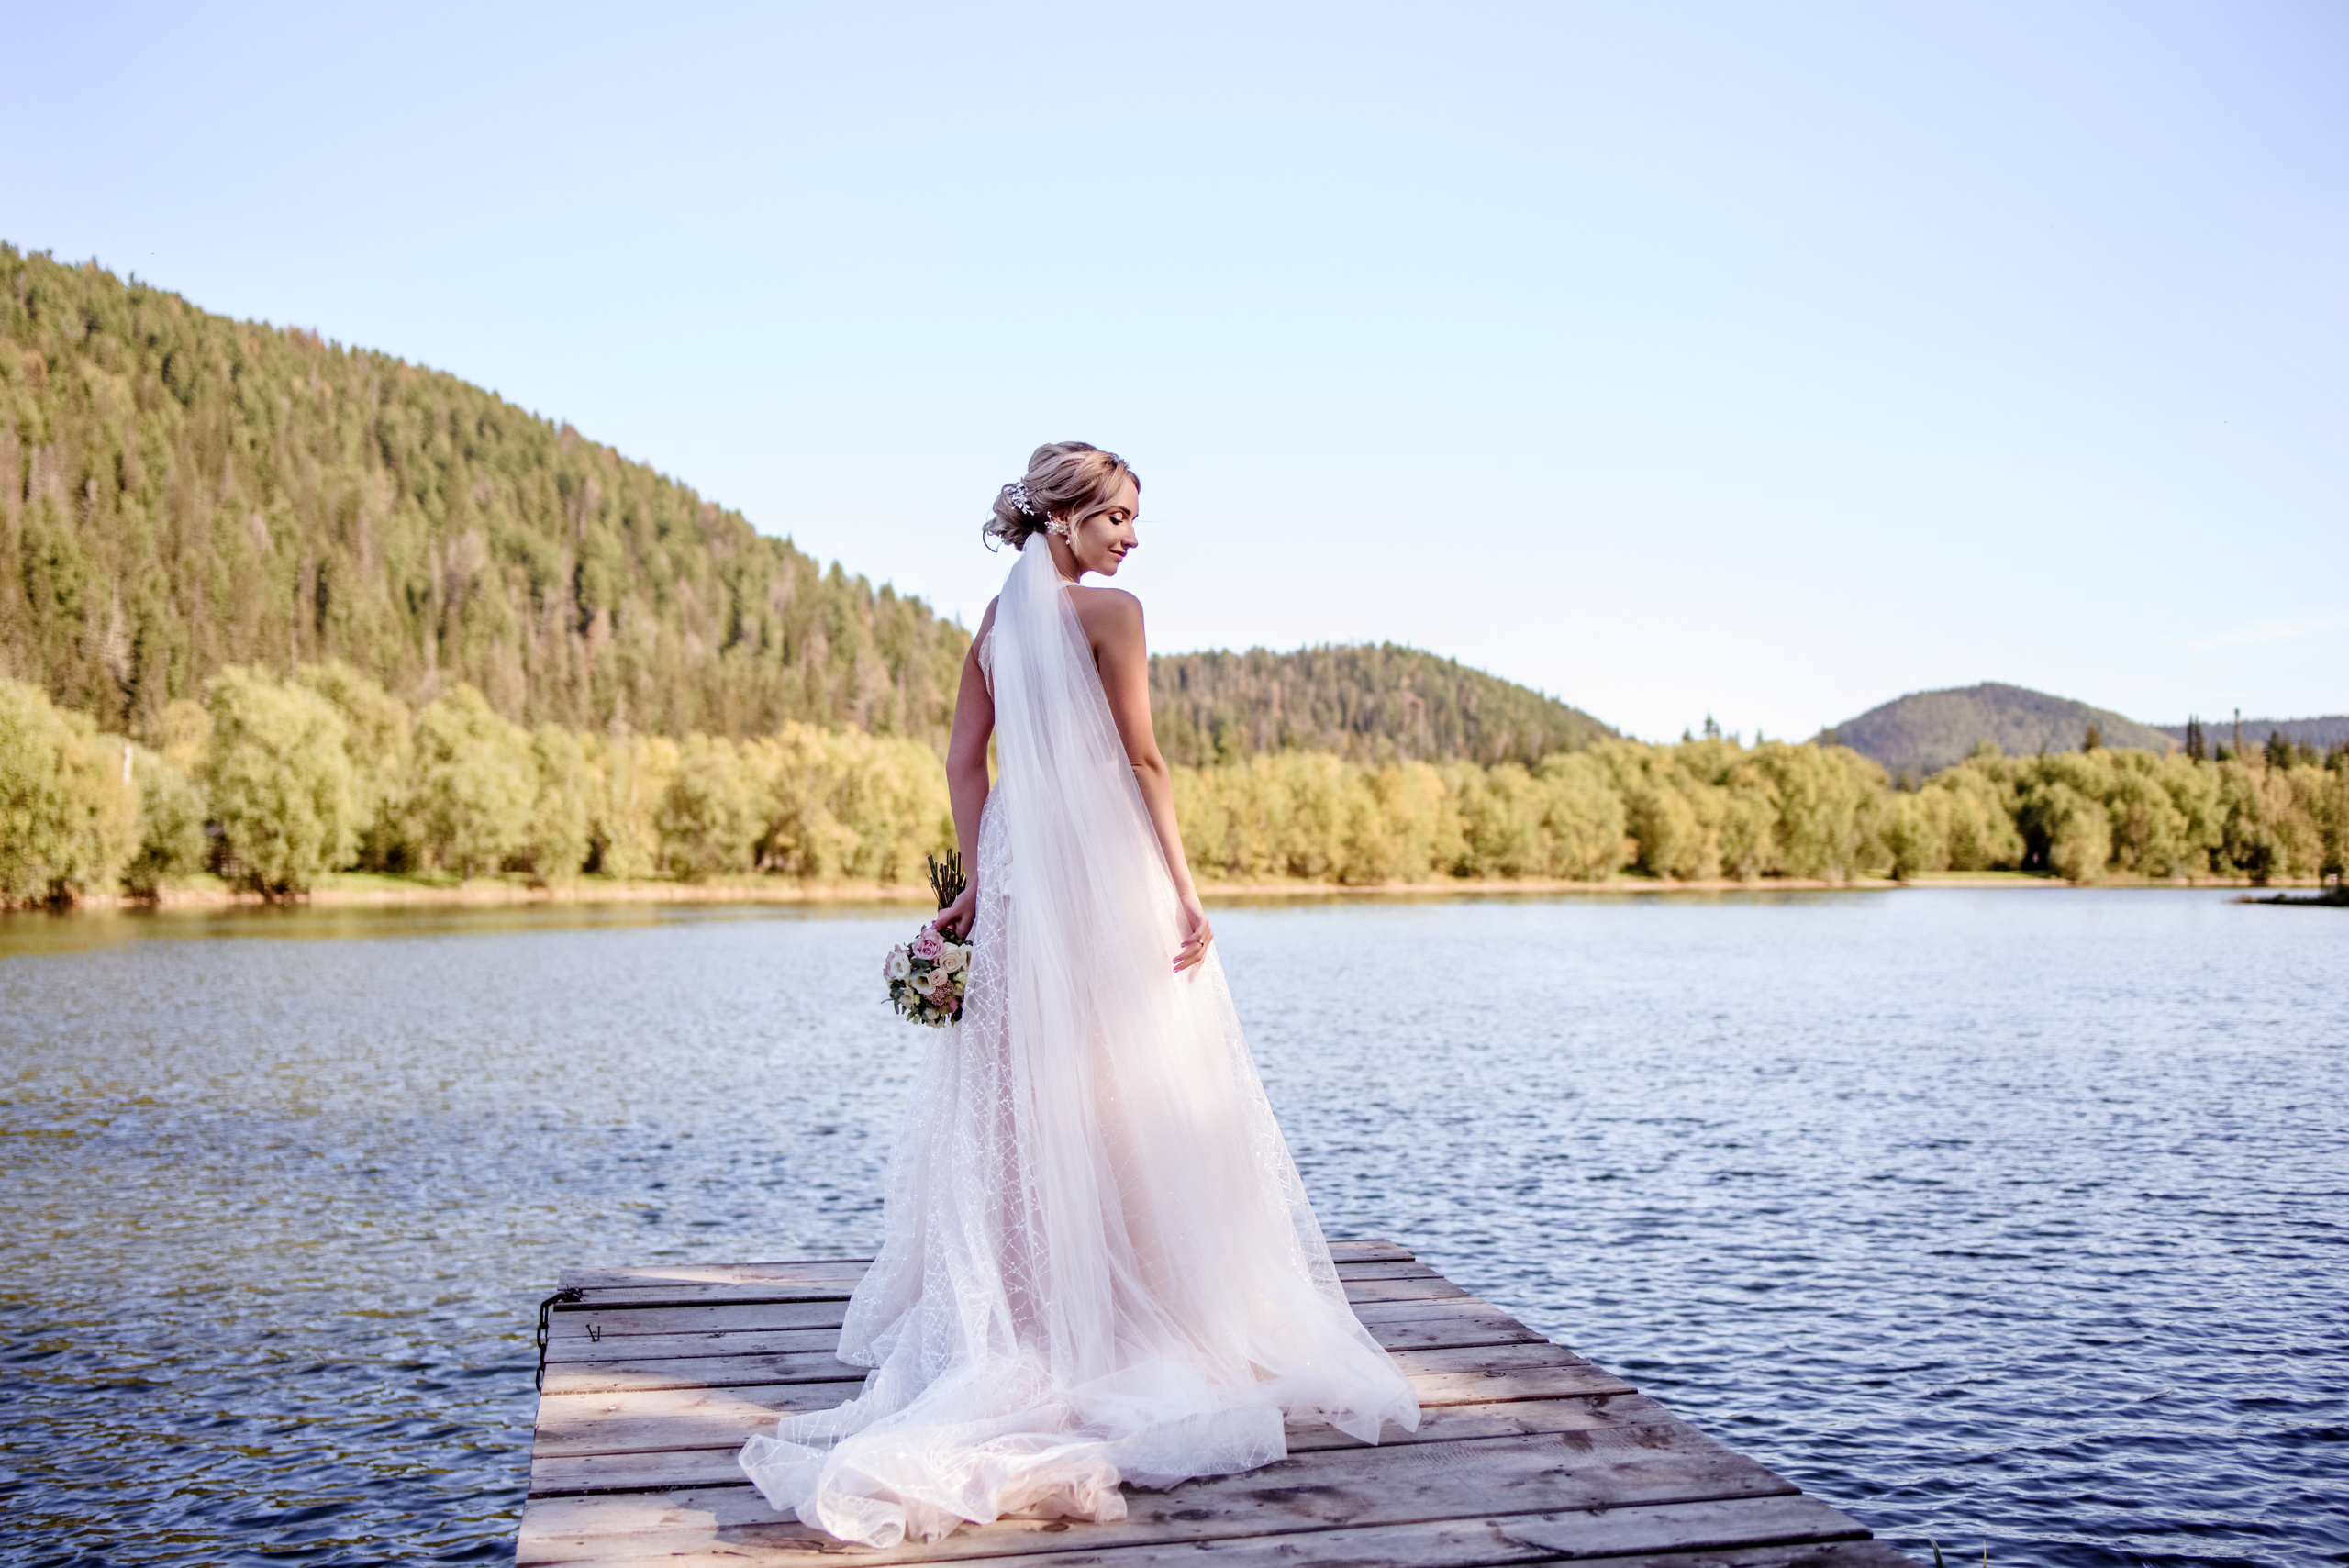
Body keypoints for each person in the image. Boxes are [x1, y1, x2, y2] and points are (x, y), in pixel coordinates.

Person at [739, 442, 1418, 1548]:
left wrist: (968, 886)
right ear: (1062, 520)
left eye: (1131, 521)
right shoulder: (1115, 617)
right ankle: (1134, 1303)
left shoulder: (995, 629)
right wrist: (1188, 894)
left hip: (1016, 865)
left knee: (1022, 1090)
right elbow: (1144, 762)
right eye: (1115, 517)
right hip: (1101, 865)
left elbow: (966, 761)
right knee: (1132, 1071)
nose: (1130, 538)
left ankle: (1035, 1309)